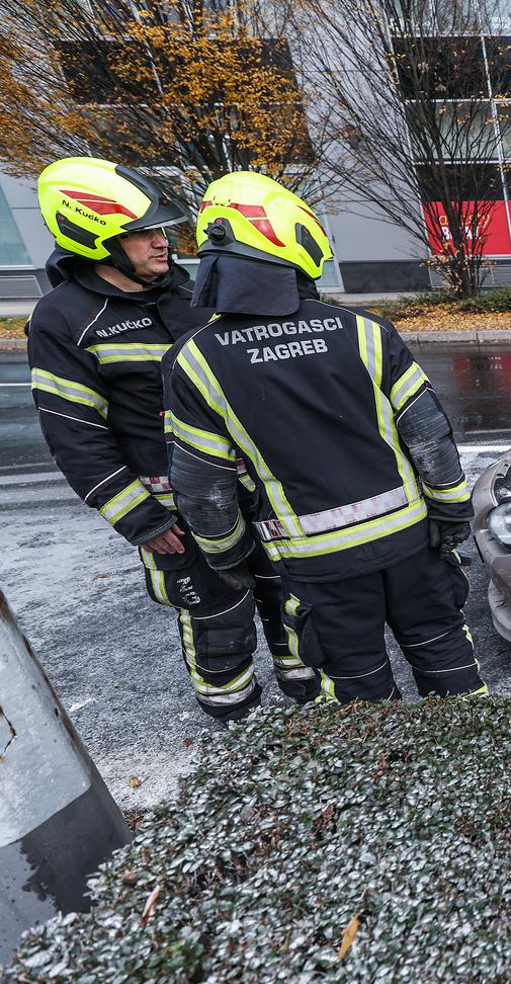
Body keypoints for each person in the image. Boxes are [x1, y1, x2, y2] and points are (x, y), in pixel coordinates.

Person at [165, 171, 486, 702]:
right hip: (412, 545)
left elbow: (202, 489)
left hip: (317, 564)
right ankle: (476, 769)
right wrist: (451, 511)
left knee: (357, 691)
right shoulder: (364, 331)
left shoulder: (196, 360)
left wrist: (229, 555)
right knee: (446, 655)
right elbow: (429, 436)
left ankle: (385, 780)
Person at [26, 157, 314, 721]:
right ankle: (239, 725)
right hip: (173, 514)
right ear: (93, 237)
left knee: (293, 603)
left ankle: (312, 710)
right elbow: (75, 436)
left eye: (161, 229)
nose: (163, 243)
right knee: (219, 624)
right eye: (143, 234)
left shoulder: (188, 290)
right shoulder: (63, 320)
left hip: (255, 492)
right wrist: (143, 521)